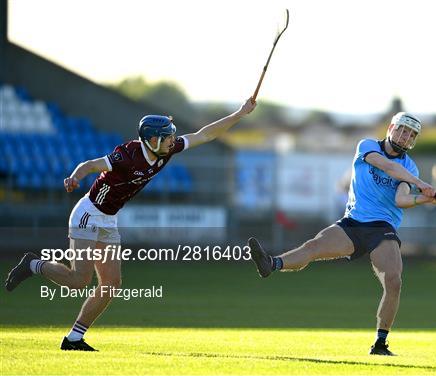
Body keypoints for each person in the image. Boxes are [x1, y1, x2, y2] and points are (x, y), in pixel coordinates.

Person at [5, 98, 257, 351]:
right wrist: (74, 178)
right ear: (152, 140)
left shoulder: (167, 149)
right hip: (88, 213)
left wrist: (240, 113)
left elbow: (205, 135)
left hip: (109, 219)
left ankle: (73, 339)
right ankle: (33, 264)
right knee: (79, 279)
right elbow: (90, 165)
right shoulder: (126, 155)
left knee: (111, 284)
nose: (173, 140)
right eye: (167, 137)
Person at [248, 112, 436, 356]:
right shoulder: (367, 146)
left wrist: (424, 198)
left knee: (394, 281)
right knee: (313, 247)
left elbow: (400, 199)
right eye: (402, 129)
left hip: (382, 229)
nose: (405, 136)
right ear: (391, 128)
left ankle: (380, 343)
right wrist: (422, 184)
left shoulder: (410, 166)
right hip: (353, 224)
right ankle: (271, 263)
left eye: (410, 134)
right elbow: (387, 166)